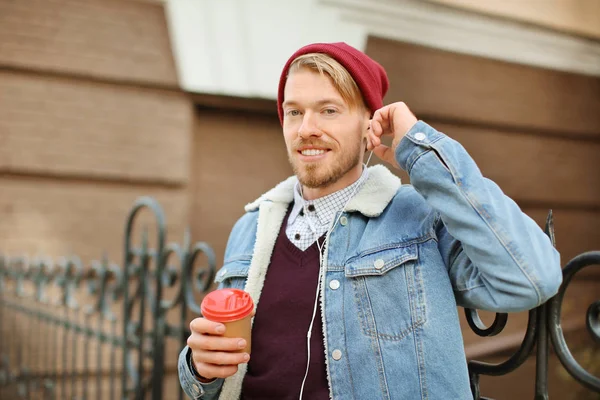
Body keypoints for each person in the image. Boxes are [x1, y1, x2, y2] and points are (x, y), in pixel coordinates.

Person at [178, 42, 562, 400]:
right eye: (294, 111)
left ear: (370, 125)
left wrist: (419, 153)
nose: (306, 128)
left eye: (328, 110)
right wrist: (199, 369)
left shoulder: (418, 218)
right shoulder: (252, 227)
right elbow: (220, 374)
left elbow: (532, 276)